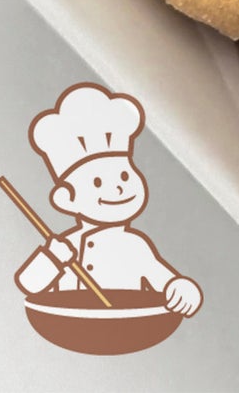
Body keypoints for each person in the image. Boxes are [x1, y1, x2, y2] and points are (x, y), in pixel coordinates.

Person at [13, 83, 202, 316]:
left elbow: (163, 279)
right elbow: (29, 284)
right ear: (67, 199)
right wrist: (52, 258)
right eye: (97, 183)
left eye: (124, 175)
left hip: (128, 326)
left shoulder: (135, 246)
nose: (118, 188)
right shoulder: (65, 246)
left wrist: (181, 288)